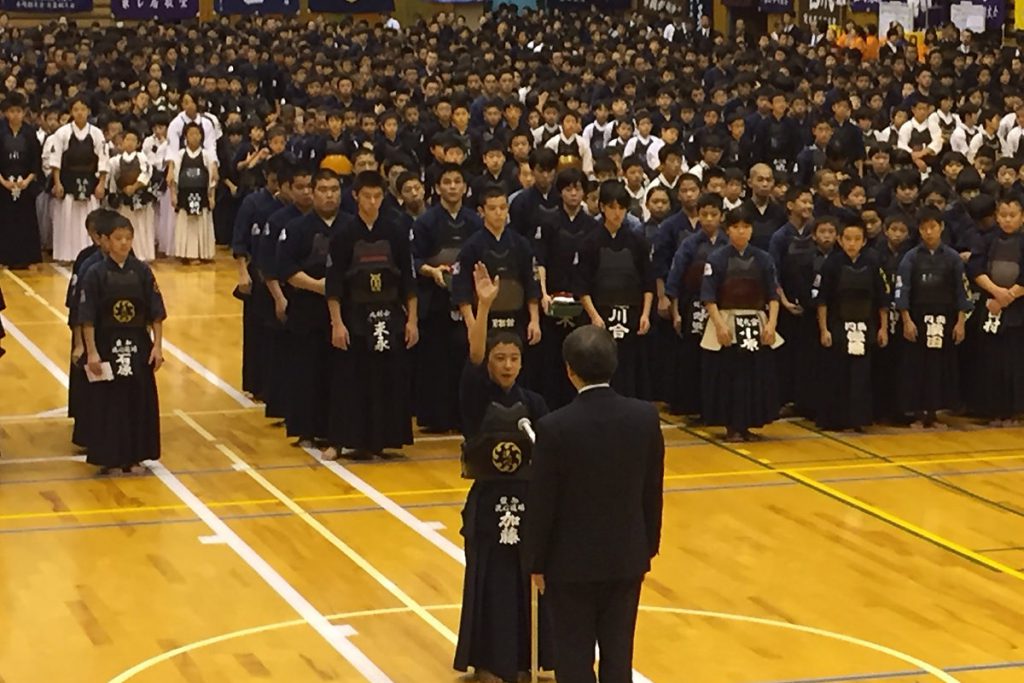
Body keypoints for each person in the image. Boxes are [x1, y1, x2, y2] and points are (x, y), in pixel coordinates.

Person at [524, 325, 664, 683]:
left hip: (568, 564)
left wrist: (535, 561)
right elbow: (652, 490)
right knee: (619, 658)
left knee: (573, 659)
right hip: (626, 557)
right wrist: (646, 546)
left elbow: (543, 502)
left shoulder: (554, 427)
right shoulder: (645, 417)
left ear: (569, 370)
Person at [454, 262, 554, 683]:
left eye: (513, 358)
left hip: (528, 504)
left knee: (526, 582)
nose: (507, 365)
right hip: (489, 504)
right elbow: (474, 358)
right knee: (491, 582)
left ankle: (529, 658)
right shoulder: (476, 397)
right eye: (500, 358)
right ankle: (490, 660)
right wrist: (484, 305)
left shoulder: (535, 403)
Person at [325, 170, 419, 460]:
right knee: (350, 380)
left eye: (378, 196)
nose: (372, 202)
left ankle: (384, 438)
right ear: (355, 197)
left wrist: (412, 320)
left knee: (388, 378)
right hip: (355, 315)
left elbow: (409, 280)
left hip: (390, 314)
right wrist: (337, 323)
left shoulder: (396, 231)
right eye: (367, 196)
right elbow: (334, 283)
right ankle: (341, 440)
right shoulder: (343, 234)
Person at [79, 213, 165, 473]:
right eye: (118, 238)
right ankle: (109, 454)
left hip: (138, 343)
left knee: (137, 399)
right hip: (107, 344)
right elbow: (87, 317)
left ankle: (136, 454)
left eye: (128, 238)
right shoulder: (95, 273)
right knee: (109, 402)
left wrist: (158, 346)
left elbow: (156, 313)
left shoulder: (141, 271)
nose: (124, 243)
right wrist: (91, 352)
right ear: (106, 240)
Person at [277, 169, 347, 447]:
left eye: (334, 189)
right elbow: (287, 269)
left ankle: (337, 429)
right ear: (312, 192)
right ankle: (306, 428)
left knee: (338, 373)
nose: (329, 195)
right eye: (323, 190)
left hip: (342, 313)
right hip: (306, 309)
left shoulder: (350, 226)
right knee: (306, 371)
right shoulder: (297, 228)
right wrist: (320, 286)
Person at [700, 207, 782, 441]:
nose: (741, 232)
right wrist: (719, 325)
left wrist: (772, 324)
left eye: (745, 227)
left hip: (756, 319)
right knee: (729, 374)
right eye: (736, 227)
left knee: (753, 374)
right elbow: (708, 296)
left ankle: (747, 423)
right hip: (727, 318)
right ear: (728, 230)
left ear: (752, 230)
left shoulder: (764, 258)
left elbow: (773, 295)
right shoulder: (717, 258)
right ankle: (731, 425)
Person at [412, 163, 482, 433]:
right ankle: (437, 417)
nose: (452, 186)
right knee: (436, 362)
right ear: (438, 187)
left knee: (465, 359)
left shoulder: (475, 221)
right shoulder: (425, 222)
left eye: (457, 181)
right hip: (435, 300)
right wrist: (432, 270)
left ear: (465, 187)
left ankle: (463, 416)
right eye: (447, 182)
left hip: (468, 301)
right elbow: (414, 259)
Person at [574, 180, 654, 398]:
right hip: (600, 313)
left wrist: (645, 315)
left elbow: (648, 282)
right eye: (611, 207)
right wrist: (594, 316)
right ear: (602, 208)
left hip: (632, 314)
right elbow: (582, 286)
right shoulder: (589, 242)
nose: (616, 213)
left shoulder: (637, 241)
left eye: (621, 208)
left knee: (628, 369)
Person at [894, 207, 972, 429]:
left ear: (941, 228)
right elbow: (902, 290)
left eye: (933, 227)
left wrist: (960, 322)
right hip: (918, 318)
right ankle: (918, 413)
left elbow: (962, 292)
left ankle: (934, 413)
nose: (929, 232)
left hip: (945, 318)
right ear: (919, 230)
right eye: (924, 228)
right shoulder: (910, 258)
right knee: (916, 365)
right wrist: (906, 320)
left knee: (940, 366)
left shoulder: (952, 258)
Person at [814, 223, 889, 431]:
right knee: (838, 373)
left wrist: (883, 329)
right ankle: (836, 419)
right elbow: (822, 301)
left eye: (857, 239)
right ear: (840, 240)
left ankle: (859, 419)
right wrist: (824, 329)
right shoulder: (832, 264)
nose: (852, 243)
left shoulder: (872, 263)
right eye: (848, 238)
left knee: (861, 375)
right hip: (838, 325)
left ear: (864, 241)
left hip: (865, 326)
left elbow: (882, 300)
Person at [966, 195, 1024, 425]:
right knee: (992, 361)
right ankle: (994, 410)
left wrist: (1010, 295)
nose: (1008, 220)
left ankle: (1016, 410)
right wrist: (996, 293)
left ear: (1022, 217)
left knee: (1016, 361)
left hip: (1019, 307)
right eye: (1003, 215)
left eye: (1013, 215)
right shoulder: (986, 239)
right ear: (997, 217)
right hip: (991, 305)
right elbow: (975, 268)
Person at [49, 97, 108, 263]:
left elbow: (103, 160)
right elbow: (55, 161)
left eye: (83, 109)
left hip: (90, 180)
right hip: (68, 179)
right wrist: (57, 182)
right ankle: (66, 254)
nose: (80, 113)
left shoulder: (96, 133)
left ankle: (91, 253)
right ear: (71, 112)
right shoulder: (62, 133)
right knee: (67, 217)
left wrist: (102, 183)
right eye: (76, 109)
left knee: (90, 216)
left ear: (88, 111)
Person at [0, 92, 43, 269]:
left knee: (26, 221)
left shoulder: (30, 133)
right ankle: (3, 259)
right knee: (4, 220)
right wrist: (3, 181)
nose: (15, 115)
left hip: (25, 183)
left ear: (23, 112)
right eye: (11, 111)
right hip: (3, 183)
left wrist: (27, 180)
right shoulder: (0, 131)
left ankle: (28, 259)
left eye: (18, 111)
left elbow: (36, 161)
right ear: (5, 113)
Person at [168, 122, 218, 263]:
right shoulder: (179, 155)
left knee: (202, 223)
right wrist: (173, 195)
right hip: (184, 195)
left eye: (197, 134)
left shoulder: (206, 156)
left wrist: (212, 196)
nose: (194, 137)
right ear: (185, 137)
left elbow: (212, 180)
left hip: (202, 195)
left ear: (201, 136)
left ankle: (203, 253)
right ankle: (186, 254)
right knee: (186, 224)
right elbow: (174, 179)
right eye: (191, 134)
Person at [107, 129, 156, 261]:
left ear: (138, 143)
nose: (129, 143)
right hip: (124, 198)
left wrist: (134, 187)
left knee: (141, 226)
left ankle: (143, 255)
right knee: (125, 226)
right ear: (121, 143)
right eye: (127, 140)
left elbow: (146, 174)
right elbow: (112, 179)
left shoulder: (142, 157)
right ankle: (125, 253)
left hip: (139, 197)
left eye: (133, 140)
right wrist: (119, 191)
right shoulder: (115, 161)